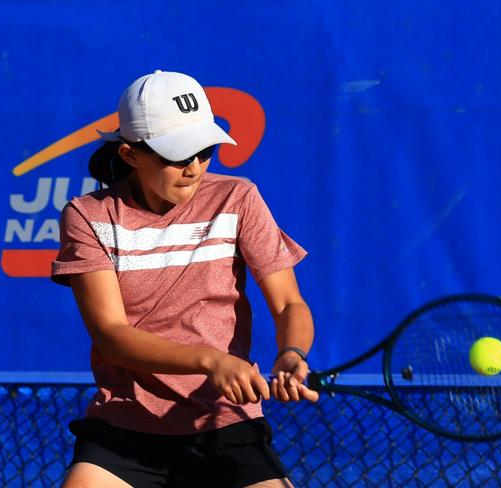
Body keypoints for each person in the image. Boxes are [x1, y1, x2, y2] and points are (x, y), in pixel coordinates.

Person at [52, 70, 318, 488]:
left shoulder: (239, 197)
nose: (193, 167)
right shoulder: (88, 216)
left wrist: (293, 353)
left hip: (226, 424)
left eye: (204, 150)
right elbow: (111, 335)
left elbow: (288, 304)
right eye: (176, 155)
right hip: (125, 431)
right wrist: (211, 361)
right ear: (130, 155)